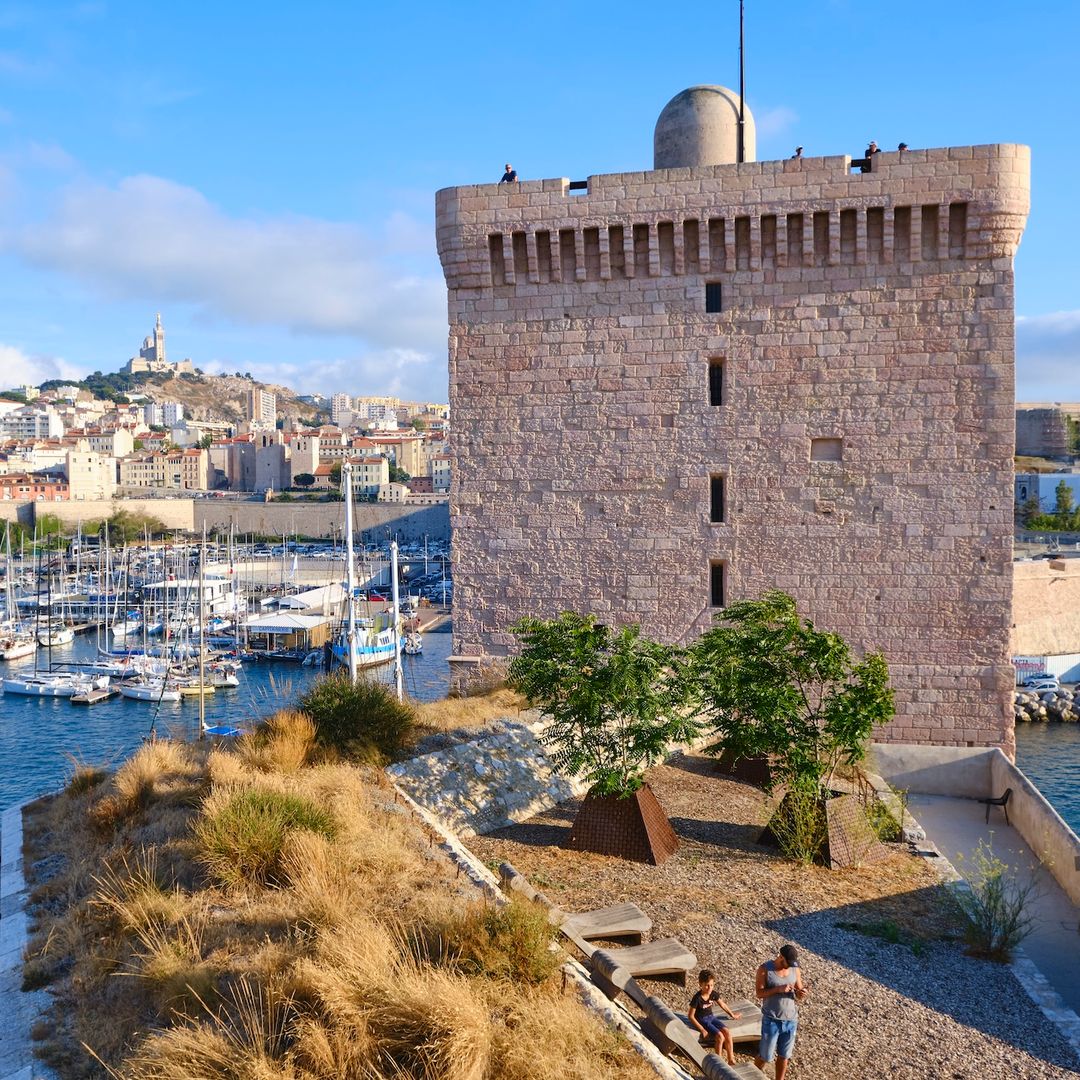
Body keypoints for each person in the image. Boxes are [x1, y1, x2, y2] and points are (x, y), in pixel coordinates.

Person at [754, 944, 807, 1080]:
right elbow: (759, 993)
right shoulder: (765, 969)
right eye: (787, 963)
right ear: (780, 957)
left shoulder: (795, 970)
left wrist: (801, 993)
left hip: (791, 1020)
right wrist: (778, 989)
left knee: (784, 1056)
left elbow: (799, 990)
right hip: (771, 1020)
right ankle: (752, 1075)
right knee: (765, 1056)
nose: (790, 966)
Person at [687, 968, 741, 1066]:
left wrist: (732, 1014)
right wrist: (702, 1029)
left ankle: (730, 1059)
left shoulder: (713, 994)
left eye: (711, 985)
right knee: (720, 1036)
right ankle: (718, 1062)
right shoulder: (697, 998)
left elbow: (722, 1004)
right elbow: (690, 1016)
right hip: (702, 1020)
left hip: (711, 1017)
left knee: (727, 1032)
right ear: (701, 984)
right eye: (707, 985)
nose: (709, 988)